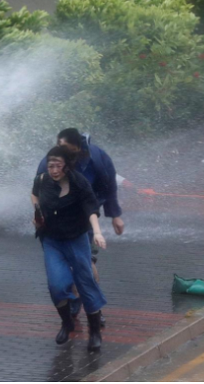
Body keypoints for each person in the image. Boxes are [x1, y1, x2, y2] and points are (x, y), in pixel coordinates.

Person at [37, 128, 124, 323]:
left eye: (67, 149)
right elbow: (38, 190)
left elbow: (109, 184)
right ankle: (75, 300)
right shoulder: (50, 162)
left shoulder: (96, 158)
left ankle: (93, 307)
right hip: (57, 227)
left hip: (84, 222)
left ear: (79, 148)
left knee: (86, 265)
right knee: (63, 269)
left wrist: (114, 214)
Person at [32, 146, 107, 351]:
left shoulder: (79, 183)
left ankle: (94, 333)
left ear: (67, 166)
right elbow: (34, 195)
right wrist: (37, 212)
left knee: (85, 283)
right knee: (57, 285)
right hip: (51, 240)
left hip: (76, 239)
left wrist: (97, 232)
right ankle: (67, 323)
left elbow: (91, 209)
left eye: (58, 166)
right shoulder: (41, 180)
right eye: (50, 166)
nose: (54, 170)